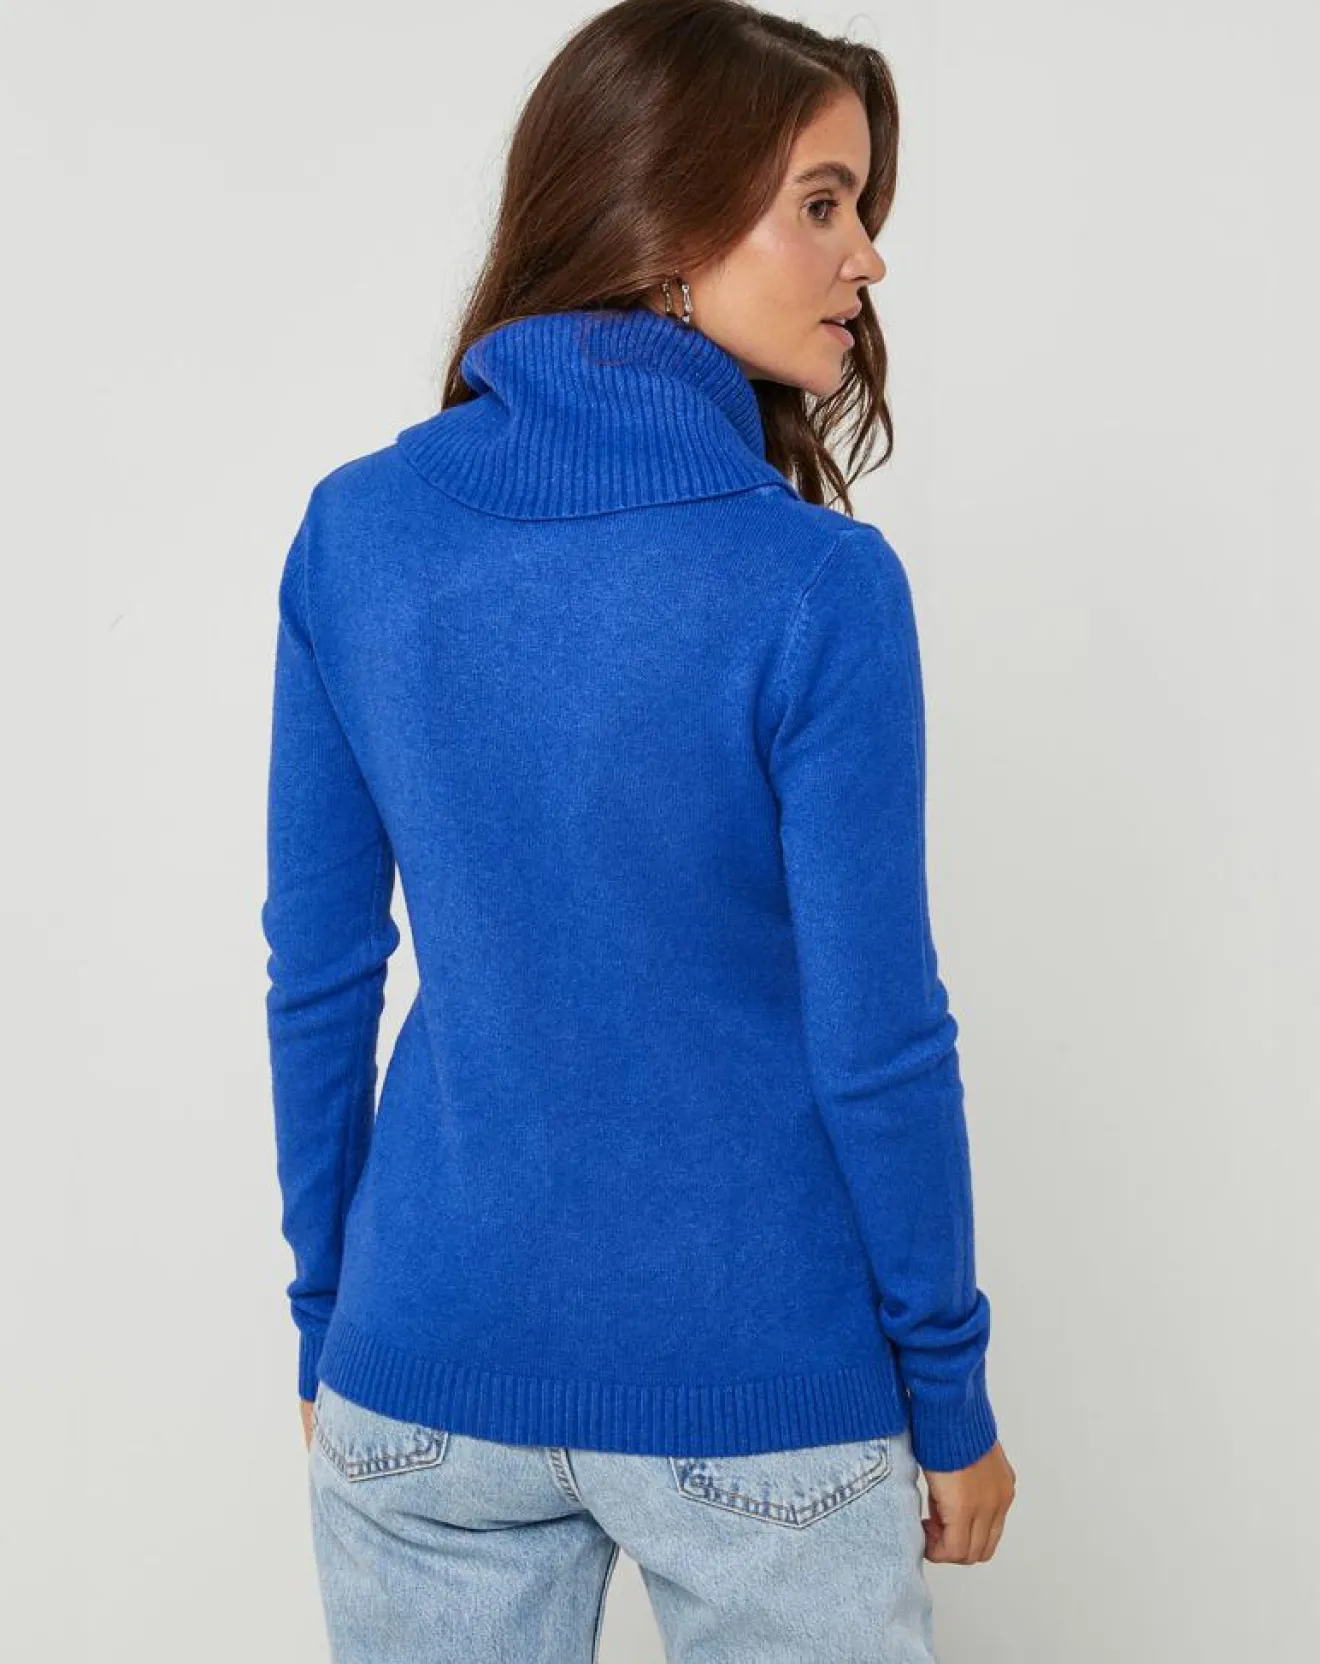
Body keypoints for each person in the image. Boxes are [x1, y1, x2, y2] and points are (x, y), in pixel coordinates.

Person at [260, 2, 1016, 1658]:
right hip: (760, 1384)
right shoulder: (816, 584)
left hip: (417, 1373)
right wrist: (949, 1391)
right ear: (668, 221)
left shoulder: (355, 534)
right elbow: (880, 1039)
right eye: (823, 203)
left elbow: (318, 975)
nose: (869, 257)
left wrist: (330, 1317)